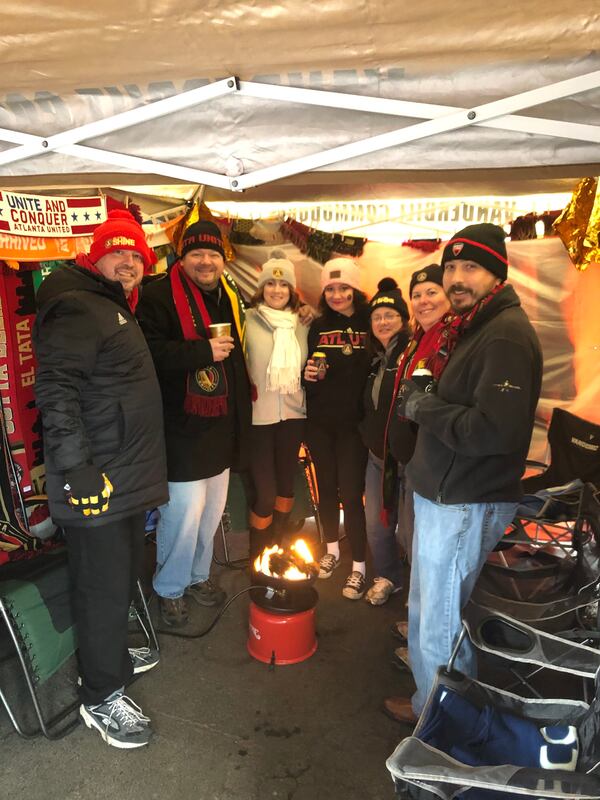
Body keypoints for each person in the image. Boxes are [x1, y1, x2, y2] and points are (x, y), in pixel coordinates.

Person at [384, 223, 543, 725]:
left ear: (496, 272)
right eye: (450, 266)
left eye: (469, 266)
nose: (456, 277)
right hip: (447, 492)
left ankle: (443, 726)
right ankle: (432, 704)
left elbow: (492, 432)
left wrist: (424, 406)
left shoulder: (506, 336)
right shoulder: (471, 325)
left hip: (464, 499)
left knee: (438, 622)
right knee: (430, 609)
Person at [33, 209, 168, 749]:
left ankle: (108, 656)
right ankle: (100, 695)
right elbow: (57, 393)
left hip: (123, 477)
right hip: (98, 482)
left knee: (119, 578)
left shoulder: (110, 305)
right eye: (118, 252)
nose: (129, 262)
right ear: (94, 255)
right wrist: (79, 470)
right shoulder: (76, 306)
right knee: (101, 587)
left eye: (136, 254)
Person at [137, 220, 251, 628]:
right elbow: (148, 354)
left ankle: (198, 576)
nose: (206, 261)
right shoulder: (157, 294)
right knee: (183, 513)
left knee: (211, 512)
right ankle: (169, 588)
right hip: (181, 427)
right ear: (181, 257)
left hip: (219, 427)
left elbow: (236, 360)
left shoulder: (228, 294)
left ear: (223, 259)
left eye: (214, 254)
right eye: (197, 254)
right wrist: (202, 351)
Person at [304, 258, 371, 600]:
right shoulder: (316, 326)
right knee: (325, 490)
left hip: (353, 427)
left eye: (344, 287)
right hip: (320, 424)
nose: (337, 294)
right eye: (330, 289)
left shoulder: (370, 322)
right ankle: (331, 549)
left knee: (351, 493)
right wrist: (309, 374)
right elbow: (309, 369)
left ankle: (359, 566)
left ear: (356, 290)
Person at [245, 252, 308, 561]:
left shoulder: (303, 324)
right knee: (266, 494)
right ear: (261, 287)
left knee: (286, 487)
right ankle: (258, 555)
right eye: (271, 283)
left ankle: (278, 549)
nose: (277, 290)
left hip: (294, 415)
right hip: (259, 418)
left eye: (284, 284)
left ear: (292, 290)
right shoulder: (247, 320)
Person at [359, 279, 410, 606]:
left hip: (409, 458)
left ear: (403, 319)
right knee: (376, 525)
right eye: (377, 316)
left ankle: (418, 588)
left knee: (410, 531)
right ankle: (389, 576)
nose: (383, 322)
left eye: (390, 315)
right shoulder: (374, 357)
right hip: (378, 455)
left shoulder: (413, 351)